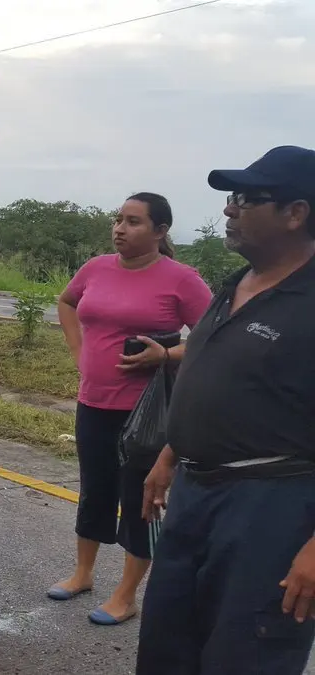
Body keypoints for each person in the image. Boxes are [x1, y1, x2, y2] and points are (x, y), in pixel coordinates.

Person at [137, 146, 315, 674]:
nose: (229, 210)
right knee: (169, 642)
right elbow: (217, 373)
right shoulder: (235, 284)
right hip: (195, 494)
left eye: (245, 198)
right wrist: (171, 452)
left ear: (296, 213)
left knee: (246, 653)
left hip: (273, 508)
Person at [48, 192, 212, 626]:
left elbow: (214, 336)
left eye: (134, 222)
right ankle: (83, 574)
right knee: (94, 487)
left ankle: (126, 594)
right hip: (93, 402)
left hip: (147, 412)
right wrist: (77, 349)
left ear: (160, 231)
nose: (120, 228)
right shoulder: (96, 267)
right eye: (118, 220)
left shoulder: (181, 279)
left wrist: (166, 355)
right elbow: (67, 302)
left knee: (141, 499)